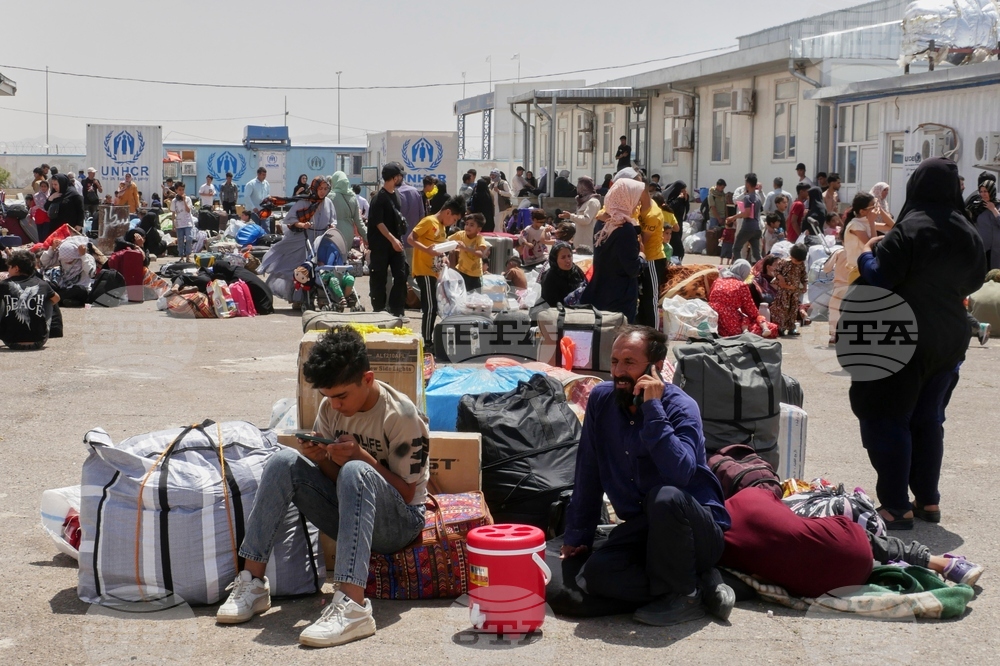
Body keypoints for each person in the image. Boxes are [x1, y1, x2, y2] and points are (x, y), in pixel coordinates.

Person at [216, 327, 428, 648]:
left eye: (341, 396)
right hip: (352, 512)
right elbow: (337, 480)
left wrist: (360, 457)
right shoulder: (329, 409)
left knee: (355, 470)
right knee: (283, 461)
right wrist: (321, 459)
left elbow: (408, 494)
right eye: (328, 397)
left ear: (367, 379)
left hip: (399, 524)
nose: (335, 405)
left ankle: (353, 606)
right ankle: (253, 582)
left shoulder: (402, 415)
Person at [562, 326, 733, 626]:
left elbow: (680, 473)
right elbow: (588, 469)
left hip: (693, 532)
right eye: (615, 362)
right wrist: (579, 534)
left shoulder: (681, 407)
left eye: (629, 363)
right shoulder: (602, 400)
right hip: (644, 529)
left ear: (655, 367)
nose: (619, 372)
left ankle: (685, 596)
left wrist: (653, 409)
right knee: (596, 575)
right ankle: (698, 584)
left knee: (664, 497)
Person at [852, 158, 986, 529]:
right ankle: (928, 500)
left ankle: (896, 507)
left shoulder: (909, 228)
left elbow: (880, 276)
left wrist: (866, 252)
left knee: (889, 417)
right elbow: (974, 281)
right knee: (928, 420)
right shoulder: (968, 231)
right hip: (950, 338)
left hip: (902, 336)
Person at [258, 177, 336, 305]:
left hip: (320, 241)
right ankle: (298, 299)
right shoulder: (304, 202)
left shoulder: (329, 203)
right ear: (314, 189)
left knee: (319, 268)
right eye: (320, 188)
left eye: (325, 189)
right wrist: (302, 225)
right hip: (303, 239)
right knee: (300, 268)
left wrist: (332, 226)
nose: (323, 191)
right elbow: (290, 220)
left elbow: (333, 219)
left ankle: (319, 297)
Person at [581, 178, 646, 323]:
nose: (638, 203)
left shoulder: (602, 222)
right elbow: (633, 268)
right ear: (625, 199)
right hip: (620, 297)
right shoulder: (625, 229)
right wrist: (642, 255)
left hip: (600, 291)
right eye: (636, 198)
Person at [407, 196, 466, 347]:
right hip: (424, 270)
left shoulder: (442, 228)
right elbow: (410, 238)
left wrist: (444, 256)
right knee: (430, 307)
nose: (453, 223)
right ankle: (427, 341)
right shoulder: (429, 221)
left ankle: (429, 339)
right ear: (448, 212)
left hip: (435, 272)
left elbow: (439, 248)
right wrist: (426, 250)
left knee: (435, 306)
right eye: (454, 219)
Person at [367, 162, 409, 317]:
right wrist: (392, 240)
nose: (401, 179)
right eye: (399, 176)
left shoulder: (396, 195)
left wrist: (397, 240)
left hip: (396, 243)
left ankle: (397, 310)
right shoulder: (378, 198)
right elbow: (379, 223)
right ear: (394, 177)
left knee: (401, 275)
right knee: (379, 278)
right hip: (381, 245)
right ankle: (379, 310)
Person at [0, 250, 59, 350]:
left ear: (16, 268)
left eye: (9, 267)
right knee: (49, 299)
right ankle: (46, 329)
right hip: (38, 341)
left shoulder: (4, 284)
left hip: (11, 341)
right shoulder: (42, 284)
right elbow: (57, 298)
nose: (8, 270)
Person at [708, 260, 776, 338]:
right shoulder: (741, 285)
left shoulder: (718, 281)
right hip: (728, 321)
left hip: (712, 318)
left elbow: (710, 297)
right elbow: (750, 310)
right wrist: (759, 318)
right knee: (772, 328)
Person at [637, 192, 667, 329]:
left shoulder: (653, 214)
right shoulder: (639, 206)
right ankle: (643, 331)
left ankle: (653, 333)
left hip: (653, 260)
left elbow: (643, 240)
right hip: (643, 258)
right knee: (642, 300)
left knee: (651, 299)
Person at [770, 244, 808, 336]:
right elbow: (776, 271)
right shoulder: (784, 262)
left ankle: (791, 328)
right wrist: (781, 278)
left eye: (800, 261)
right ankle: (781, 328)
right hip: (784, 291)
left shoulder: (801, 265)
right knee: (782, 309)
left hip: (794, 292)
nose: (797, 262)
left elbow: (803, 276)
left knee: (793, 310)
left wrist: (805, 285)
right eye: (796, 260)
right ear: (791, 256)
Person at [539, 241, 587, 308]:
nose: (568, 260)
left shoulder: (576, 271)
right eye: (563, 257)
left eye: (569, 256)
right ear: (555, 259)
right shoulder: (550, 279)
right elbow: (552, 305)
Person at [448, 213, 489, 292]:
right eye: (466, 224)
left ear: (479, 229)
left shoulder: (479, 239)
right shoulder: (460, 234)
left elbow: (481, 254)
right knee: (462, 294)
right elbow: (447, 240)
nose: (467, 227)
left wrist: (465, 248)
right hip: (461, 271)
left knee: (475, 296)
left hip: (475, 275)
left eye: (471, 225)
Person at [328, 171, 368, 248]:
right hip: (349, 234)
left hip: (334, 232)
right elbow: (358, 221)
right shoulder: (353, 197)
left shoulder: (330, 197)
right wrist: (366, 236)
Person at [559, 176, 601, 250]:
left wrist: (571, 216)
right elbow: (579, 220)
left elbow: (586, 220)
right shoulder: (583, 201)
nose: (577, 188)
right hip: (579, 241)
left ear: (584, 187)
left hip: (587, 242)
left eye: (579, 185)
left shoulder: (592, 202)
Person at [729, 174, 763, 263]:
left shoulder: (747, 197)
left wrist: (733, 217)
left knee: (736, 248)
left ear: (747, 184)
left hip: (747, 227)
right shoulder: (758, 197)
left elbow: (747, 214)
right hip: (756, 227)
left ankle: (739, 266)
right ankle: (762, 268)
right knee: (756, 253)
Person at [972, 179, 1000, 269]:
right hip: (982, 249)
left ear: (991, 191)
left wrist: (993, 209)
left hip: (997, 251)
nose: (983, 194)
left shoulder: (998, 206)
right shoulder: (976, 207)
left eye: (986, 191)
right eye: (981, 191)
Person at [662, 180, 689, 263]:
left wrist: (686, 200)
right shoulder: (672, 199)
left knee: (677, 249)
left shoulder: (682, 199)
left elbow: (686, 210)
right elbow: (670, 208)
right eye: (682, 190)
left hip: (678, 224)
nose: (684, 192)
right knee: (678, 249)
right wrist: (678, 199)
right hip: (671, 227)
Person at [170, 183, 196, 261]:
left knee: (189, 238)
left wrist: (184, 201)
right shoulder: (174, 201)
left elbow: (188, 210)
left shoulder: (188, 199)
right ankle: (181, 256)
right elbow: (173, 213)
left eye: (183, 190)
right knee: (180, 240)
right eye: (179, 190)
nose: (181, 191)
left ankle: (188, 256)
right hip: (179, 223)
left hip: (188, 222)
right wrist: (173, 224)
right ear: (176, 190)